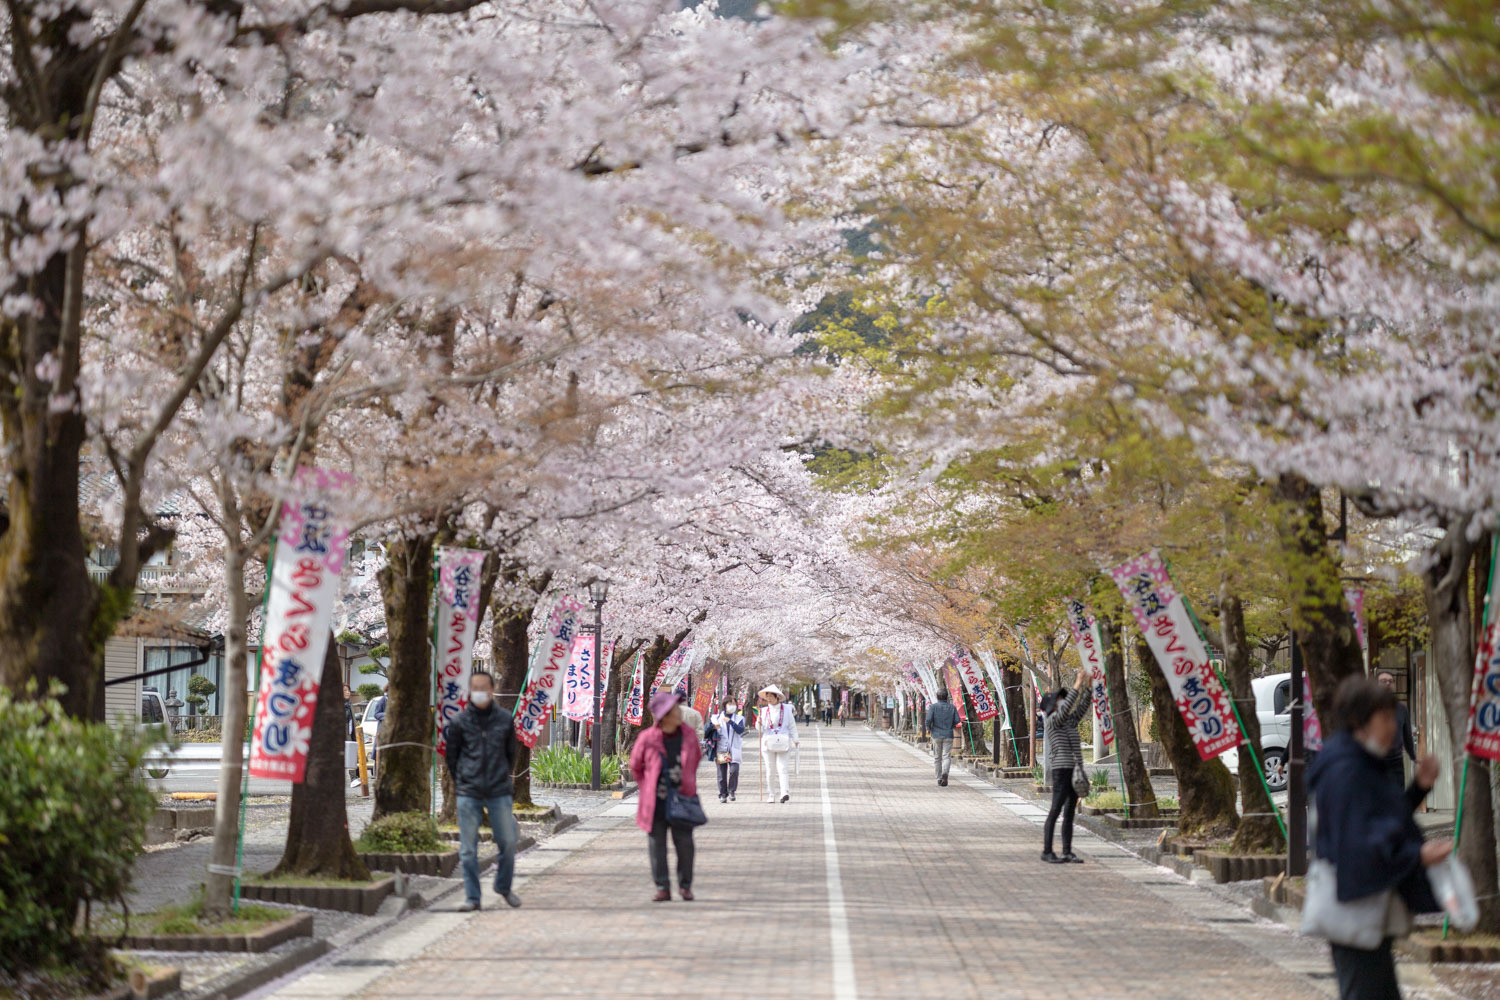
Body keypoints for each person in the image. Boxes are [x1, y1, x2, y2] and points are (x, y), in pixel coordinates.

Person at [1310, 675, 1450, 1000]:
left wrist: (1419, 788)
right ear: (1359, 721)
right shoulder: (1346, 770)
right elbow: (1357, 842)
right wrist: (1418, 856)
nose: (1392, 728)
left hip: (1366, 903)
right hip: (1353, 903)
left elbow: (1380, 819)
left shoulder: (1359, 762)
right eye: (1385, 718)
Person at [442, 671, 522, 912]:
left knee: (508, 841)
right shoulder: (459, 722)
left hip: (499, 790)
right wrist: (464, 780)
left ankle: (503, 886)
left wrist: (500, 775)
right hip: (468, 791)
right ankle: (473, 897)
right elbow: (452, 758)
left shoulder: (505, 719)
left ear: (491, 689)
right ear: (469, 690)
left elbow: (512, 754)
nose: (479, 691)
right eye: (474, 687)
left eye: (483, 687)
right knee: (468, 848)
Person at [629, 691, 702, 902]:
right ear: (664, 715)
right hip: (655, 801)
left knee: (685, 844)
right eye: (675, 709)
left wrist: (686, 779)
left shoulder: (688, 734)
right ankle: (663, 887)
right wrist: (647, 786)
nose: (680, 712)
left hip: (682, 798)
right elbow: (636, 766)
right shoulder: (647, 738)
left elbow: (695, 757)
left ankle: (685, 886)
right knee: (656, 845)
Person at [1040, 667, 1091, 865]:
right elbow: (1068, 707)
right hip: (1061, 770)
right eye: (1059, 700)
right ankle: (1047, 851)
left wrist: (1088, 688)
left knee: (1069, 812)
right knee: (1055, 810)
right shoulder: (1053, 720)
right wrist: (1076, 684)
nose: (1062, 701)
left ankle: (1067, 851)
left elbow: (1081, 709)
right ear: (1053, 706)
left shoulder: (1068, 722)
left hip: (1074, 770)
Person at [1375, 671, 1418, 788]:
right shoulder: (1370, 707)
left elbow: (1407, 735)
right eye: (1383, 681)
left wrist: (1413, 756)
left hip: (1396, 763)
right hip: (1375, 761)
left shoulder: (1402, 709)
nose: (1388, 684)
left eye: (1391, 681)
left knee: (1397, 799)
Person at [757, 684, 799, 803]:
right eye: (767, 696)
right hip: (768, 742)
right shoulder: (764, 711)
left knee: (783, 768)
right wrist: (758, 723)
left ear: (777, 697)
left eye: (771, 696)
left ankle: (784, 792)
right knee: (770, 770)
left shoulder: (786, 709)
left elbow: (792, 725)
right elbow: (759, 729)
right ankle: (771, 793)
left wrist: (795, 739)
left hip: (783, 741)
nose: (769, 699)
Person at [710, 701, 745, 802]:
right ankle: (723, 794)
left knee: (734, 771)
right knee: (722, 773)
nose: (732, 706)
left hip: (734, 748)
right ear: (724, 705)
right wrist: (714, 727)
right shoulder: (717, 718)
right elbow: (710, 730)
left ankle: (732, 791)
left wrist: (730, 721)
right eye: (730, 704)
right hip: (723, 749)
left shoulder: (739, 718)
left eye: (734, 704)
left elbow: (740, 730)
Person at [925, 688, 960, 786]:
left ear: (937, 697)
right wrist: (951, 725)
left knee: (937, 757)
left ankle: (939, 778)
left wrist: (928, 728)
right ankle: (945, 773)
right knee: (946, 756)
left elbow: (928, 720)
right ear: (947, 697)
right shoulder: (952, 707)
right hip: (948, 734)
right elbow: (957, 720)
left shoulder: (933, 707)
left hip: (936, 734)